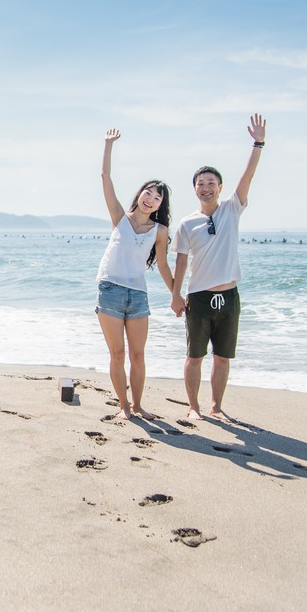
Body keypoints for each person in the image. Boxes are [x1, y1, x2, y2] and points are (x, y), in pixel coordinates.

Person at [170, 113, 267, 423]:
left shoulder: (231, 208)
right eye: (201, 184)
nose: (206, 187)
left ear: (220, 187)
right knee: (194, 357)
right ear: (195, 190)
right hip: (198, 298)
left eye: (211, 183)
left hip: (229, 298)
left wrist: (258, 144)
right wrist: (176, 295)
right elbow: (181, 261)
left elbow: (248, 176)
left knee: (223, 358)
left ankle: (216, 406)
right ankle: (194, 407)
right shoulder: (187, 223)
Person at [95, 129, 175, 421]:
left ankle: (138, 406)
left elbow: (163, 266)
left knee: (138, 356)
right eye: (148, 193)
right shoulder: (119, 217)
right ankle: (124, 407)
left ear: (160, 205)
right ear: (140, 194)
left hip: (138, 295)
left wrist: (177, 295)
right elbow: (105, 177)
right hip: (110, 291)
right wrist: (108, 145)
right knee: (117, 354)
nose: (150, 199)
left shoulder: (160, 231)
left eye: (157, 197)